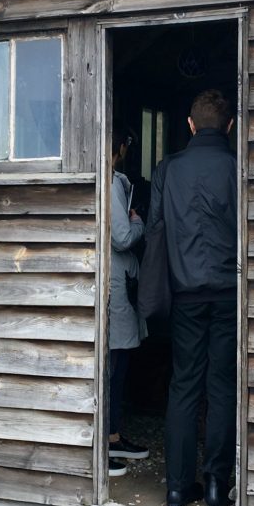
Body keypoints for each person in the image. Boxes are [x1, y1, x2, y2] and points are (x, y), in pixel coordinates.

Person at [148, 89, 237, 506]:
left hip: (184, 293)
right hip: (228, 294)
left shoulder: (168, 169)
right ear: (230, 126)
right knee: (221, 388)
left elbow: (155, 231)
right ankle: (218, 489)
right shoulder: (238, 168)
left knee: (183, 386)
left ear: (189, 125)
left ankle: (177, 490)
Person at [108, 130, 149, 477]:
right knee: (113, 364)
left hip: (107, 282)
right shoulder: (110, 184)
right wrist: (139, 223)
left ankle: (112, 435)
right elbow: (121, 238)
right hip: (114, 284)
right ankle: (108, 440)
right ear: (119, 148)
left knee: (113, 362)